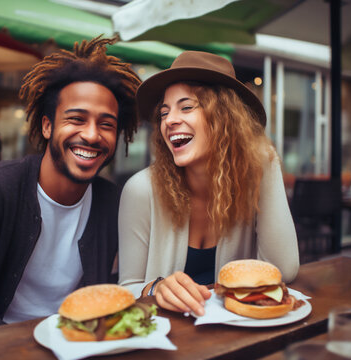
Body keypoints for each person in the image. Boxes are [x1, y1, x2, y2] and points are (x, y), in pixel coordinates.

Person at [0, 37, 141, 335]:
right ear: (46, 125)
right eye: (76, 119)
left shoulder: (115, 203)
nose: (92, 135)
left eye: (106, 124)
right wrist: (38, 343)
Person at [118, 51, 299, 316]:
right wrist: (156, 287)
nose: (169, 120)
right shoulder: (141, 190)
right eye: (164, 112)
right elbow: (126, 288)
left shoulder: (254, 177)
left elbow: (284, 269)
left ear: (224, 117)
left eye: (187, 107)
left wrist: (267, 162)